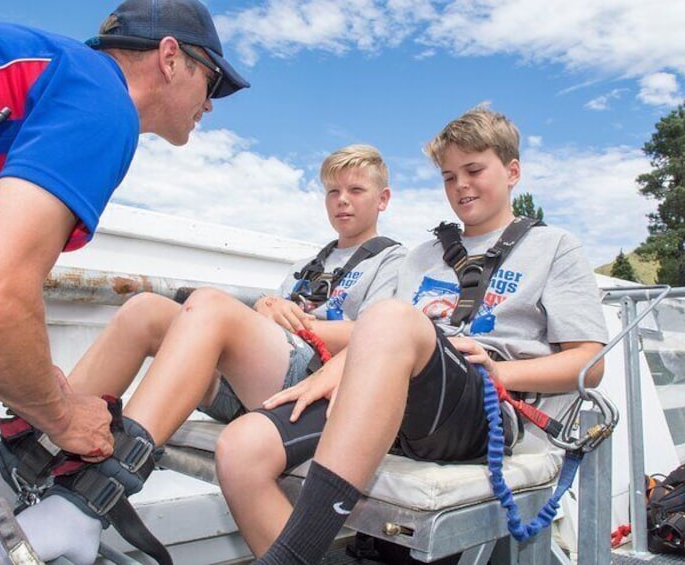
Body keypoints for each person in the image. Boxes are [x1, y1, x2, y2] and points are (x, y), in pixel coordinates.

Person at [0, 0, 248, 562]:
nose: (211, 104)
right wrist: (64, 418)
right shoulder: (101, 99)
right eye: (212, 79)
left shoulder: (37, 94)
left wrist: (45, 392)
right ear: (170, 58)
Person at [0, 144, 406, 564]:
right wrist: (267, 306)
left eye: (356, 191)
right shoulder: (309, 264)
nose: (341, 201)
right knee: (146, 310)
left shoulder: (391, 261)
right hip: (264, 376)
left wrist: (294, 320)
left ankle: (87, 504)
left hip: (318, 389)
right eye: (332, 191)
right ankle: (17, 465)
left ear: (382, 199)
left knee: (213, 306)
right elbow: (269, 330)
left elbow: (380, 341)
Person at [236, 107, 609, 564]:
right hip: (401, 396)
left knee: (391, 316)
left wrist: (501, 369)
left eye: (473, 170)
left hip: (483, 407)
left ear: (513, 171)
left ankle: (291, 555)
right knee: (242, 450)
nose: (460, 187)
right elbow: (381, 338)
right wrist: (337, 370)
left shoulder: (555, 248)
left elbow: (589, 364)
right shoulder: (422, 256)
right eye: (449, 177)